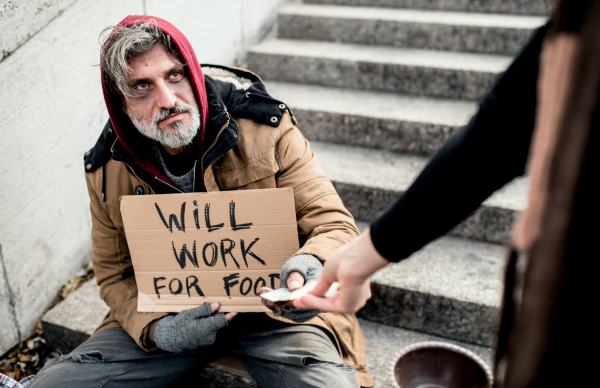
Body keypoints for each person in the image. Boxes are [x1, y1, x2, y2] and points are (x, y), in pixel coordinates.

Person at [30, 15, 372, 388]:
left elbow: (332, 223)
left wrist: (310, 266)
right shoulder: (105, 168)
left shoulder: (266, 127)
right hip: (170, 312)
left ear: (192, 72)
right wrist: (159, 331)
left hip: (272, 313)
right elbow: (113, 276)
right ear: (121, 105)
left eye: (174, 75)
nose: (167, 99)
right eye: (142, 86)